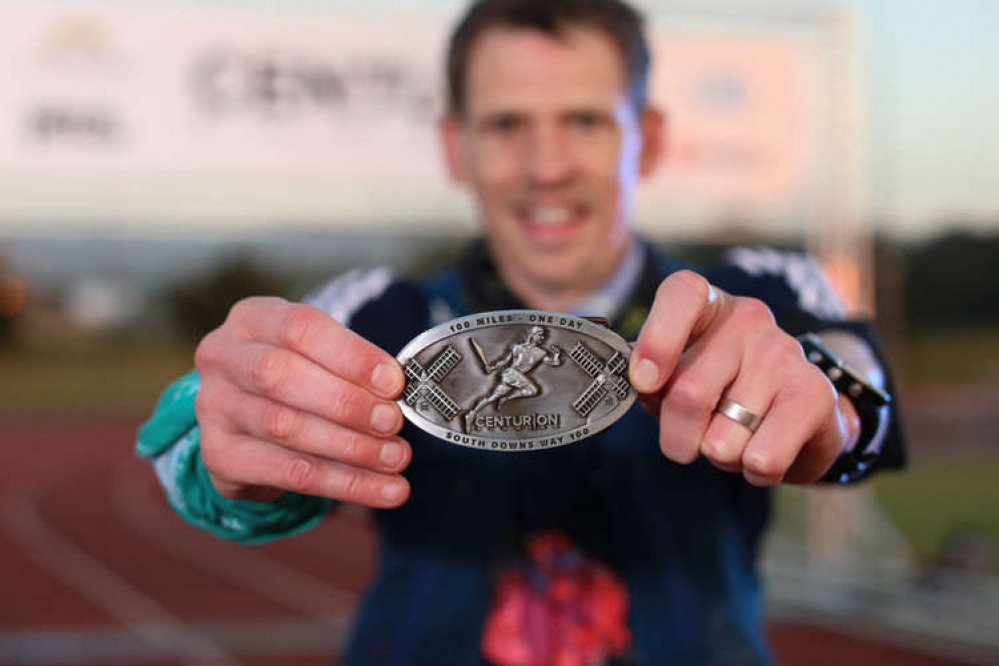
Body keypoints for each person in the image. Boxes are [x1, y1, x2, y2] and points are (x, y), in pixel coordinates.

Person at [136, 1, 905, 664]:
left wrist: (820, 400)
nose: (545, 166)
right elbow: (189, 458)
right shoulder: (378, 314)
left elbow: (859, 390)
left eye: (583, 120)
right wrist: (229, 445)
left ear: (651, 137)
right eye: (506, 124)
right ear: (453, 145)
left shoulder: (757, 296)